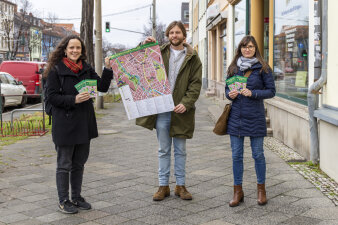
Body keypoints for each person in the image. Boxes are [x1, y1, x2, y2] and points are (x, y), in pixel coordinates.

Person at [43, 35, 113, 214]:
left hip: (84, 123)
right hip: (65, 124)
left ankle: (76, 197)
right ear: (64, 50)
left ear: (82, 51)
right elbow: (51, 97)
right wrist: (73, 99)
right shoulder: (55, 70)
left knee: (79, 163)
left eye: (78, 48)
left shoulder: (86, 68)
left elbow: (102, 87)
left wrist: (108, 68)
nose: (75, 51)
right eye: (71, 48)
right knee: (64, 164)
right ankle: (63, 200)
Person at [136, 21, 202, 201]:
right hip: (162, 110)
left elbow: (196, 84)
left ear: (184, 35)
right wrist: (144, 46)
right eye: (171, 32)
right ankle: (163, 186)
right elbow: (139, 64)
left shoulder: (193, 57)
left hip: (182, 111)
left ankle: (180, 186)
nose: (174, 35)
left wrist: (186, 103)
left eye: (178, 32)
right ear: (167, 35)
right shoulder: (158, 52)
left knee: (180, 150)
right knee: (163, 150)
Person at [225, 35, 275, 207]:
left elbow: (271, 91)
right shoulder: (233, 68)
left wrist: (252, 93)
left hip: (255, 117)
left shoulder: (263, 68)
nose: (247, 49)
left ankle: (261, 190)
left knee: (258, 154)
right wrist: (229, 94)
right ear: (240, 49)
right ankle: (237, 191)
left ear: (255, 49)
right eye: (244, 46)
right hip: (236, 118)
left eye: (251, 47)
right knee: (236, 156)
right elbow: (227, 88)